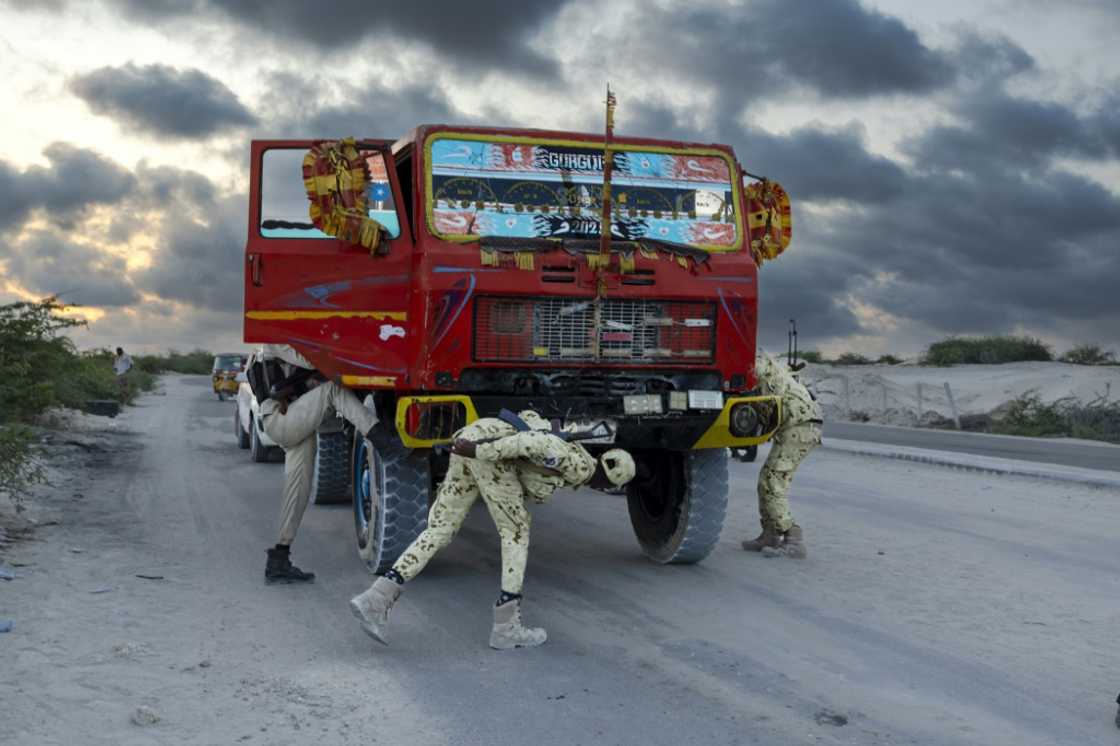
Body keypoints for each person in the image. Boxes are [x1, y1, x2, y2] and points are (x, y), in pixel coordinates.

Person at [349, 411, 636, 650]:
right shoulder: (579, 465)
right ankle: (506, 626)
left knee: (440, 529)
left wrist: (473, 448)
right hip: (482, 450)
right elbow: (532, 442)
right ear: (610, 483)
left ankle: (376, 598)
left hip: (472, 440)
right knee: (516, 531)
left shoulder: (577, 454)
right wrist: (479, 451)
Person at [256, 344, 378, 584]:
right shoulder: (273, 340)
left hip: (293, 417)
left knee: (297, 493)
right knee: (333, 391)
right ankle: (380, 436)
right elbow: (310, 360)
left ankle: (279, 560)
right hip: (282, 420)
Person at [741, 350, 823, 558]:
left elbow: (765, 409)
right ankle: (770, 533)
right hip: (800, 427)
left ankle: (792, 537)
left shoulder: (758, 370)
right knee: (766, 480)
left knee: (772, 481)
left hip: (799, 427)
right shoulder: (772, 371)